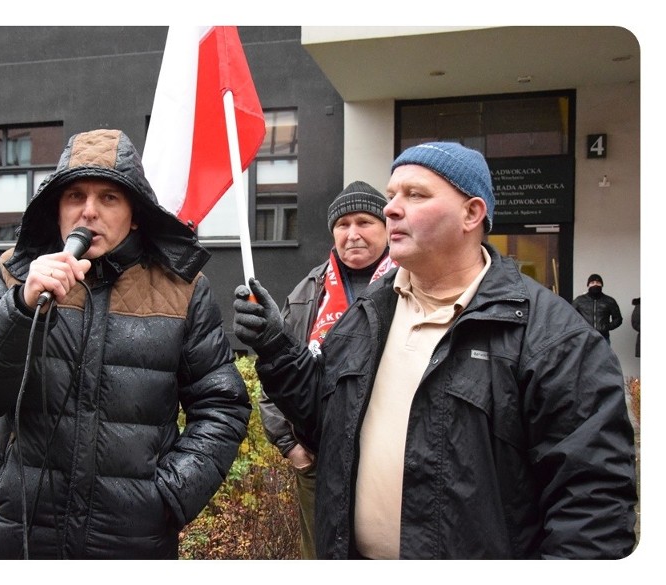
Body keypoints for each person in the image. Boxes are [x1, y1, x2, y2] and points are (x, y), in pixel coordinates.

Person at [234, 141, 638, 559]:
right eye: (391, 196)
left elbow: (592, 511)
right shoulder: (369, 311)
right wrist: (276, 346)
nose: (391, 208)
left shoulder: (555, 338)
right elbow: (328, 417)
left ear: (472, 214)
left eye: (415, 195)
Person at [0, 128, 251, 560]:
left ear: (136, 212)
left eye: (109, 198)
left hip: (130, 543)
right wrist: (20, 306)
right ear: (57, 209)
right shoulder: (16, 274)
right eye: (75, 197)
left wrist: (167, 497)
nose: (88, 212)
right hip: (19, 537)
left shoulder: (182, 288)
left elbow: (222, 404)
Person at [257, 180, 395, 559]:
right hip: (321, 461)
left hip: (393, 461)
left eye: (365, 222)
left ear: (386, 227)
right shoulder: (307, 293)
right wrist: (292, 448)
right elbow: (275, 374)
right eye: (343, 224)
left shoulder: (411, 284)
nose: (353, 234)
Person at [571, 273, 623, 343]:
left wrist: (607, 327)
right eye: (592, 283)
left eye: (598, 282)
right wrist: (580, 329)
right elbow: (570, 316)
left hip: (603, 338)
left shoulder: (609, 301)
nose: (595, 284)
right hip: (585, 338)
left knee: (604, 354)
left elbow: (618, 318)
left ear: (602, 285)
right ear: (588, 285)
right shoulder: (579, 300)